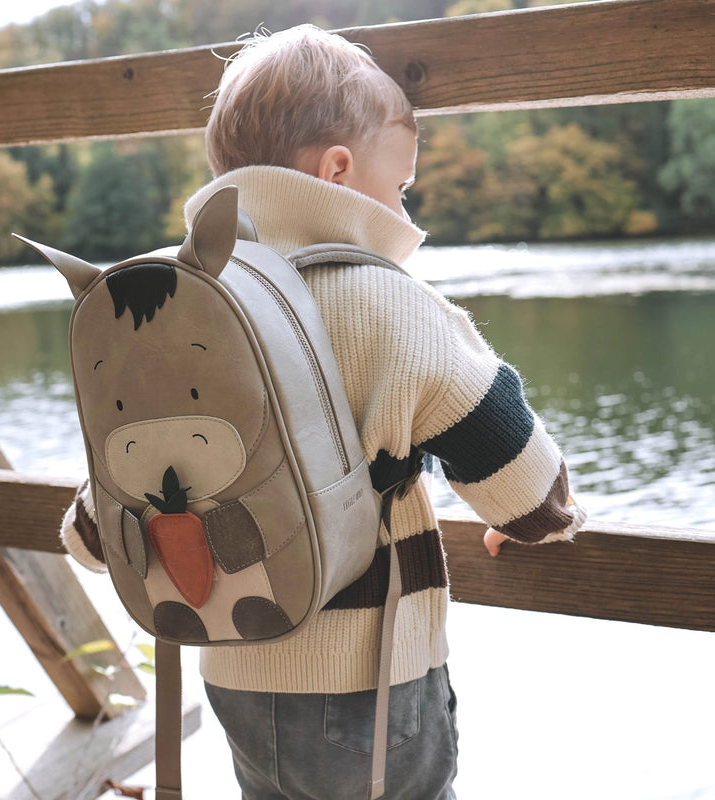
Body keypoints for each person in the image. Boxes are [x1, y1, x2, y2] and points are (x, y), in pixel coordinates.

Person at [61, 24, 587, 799]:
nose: (405, 207)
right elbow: (528, 490)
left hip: (235, 669)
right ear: (338, 170)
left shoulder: (182, 308)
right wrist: (543, 518)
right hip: (370, 686)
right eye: (400, 186)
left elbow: (94, 528)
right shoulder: (393, 309)